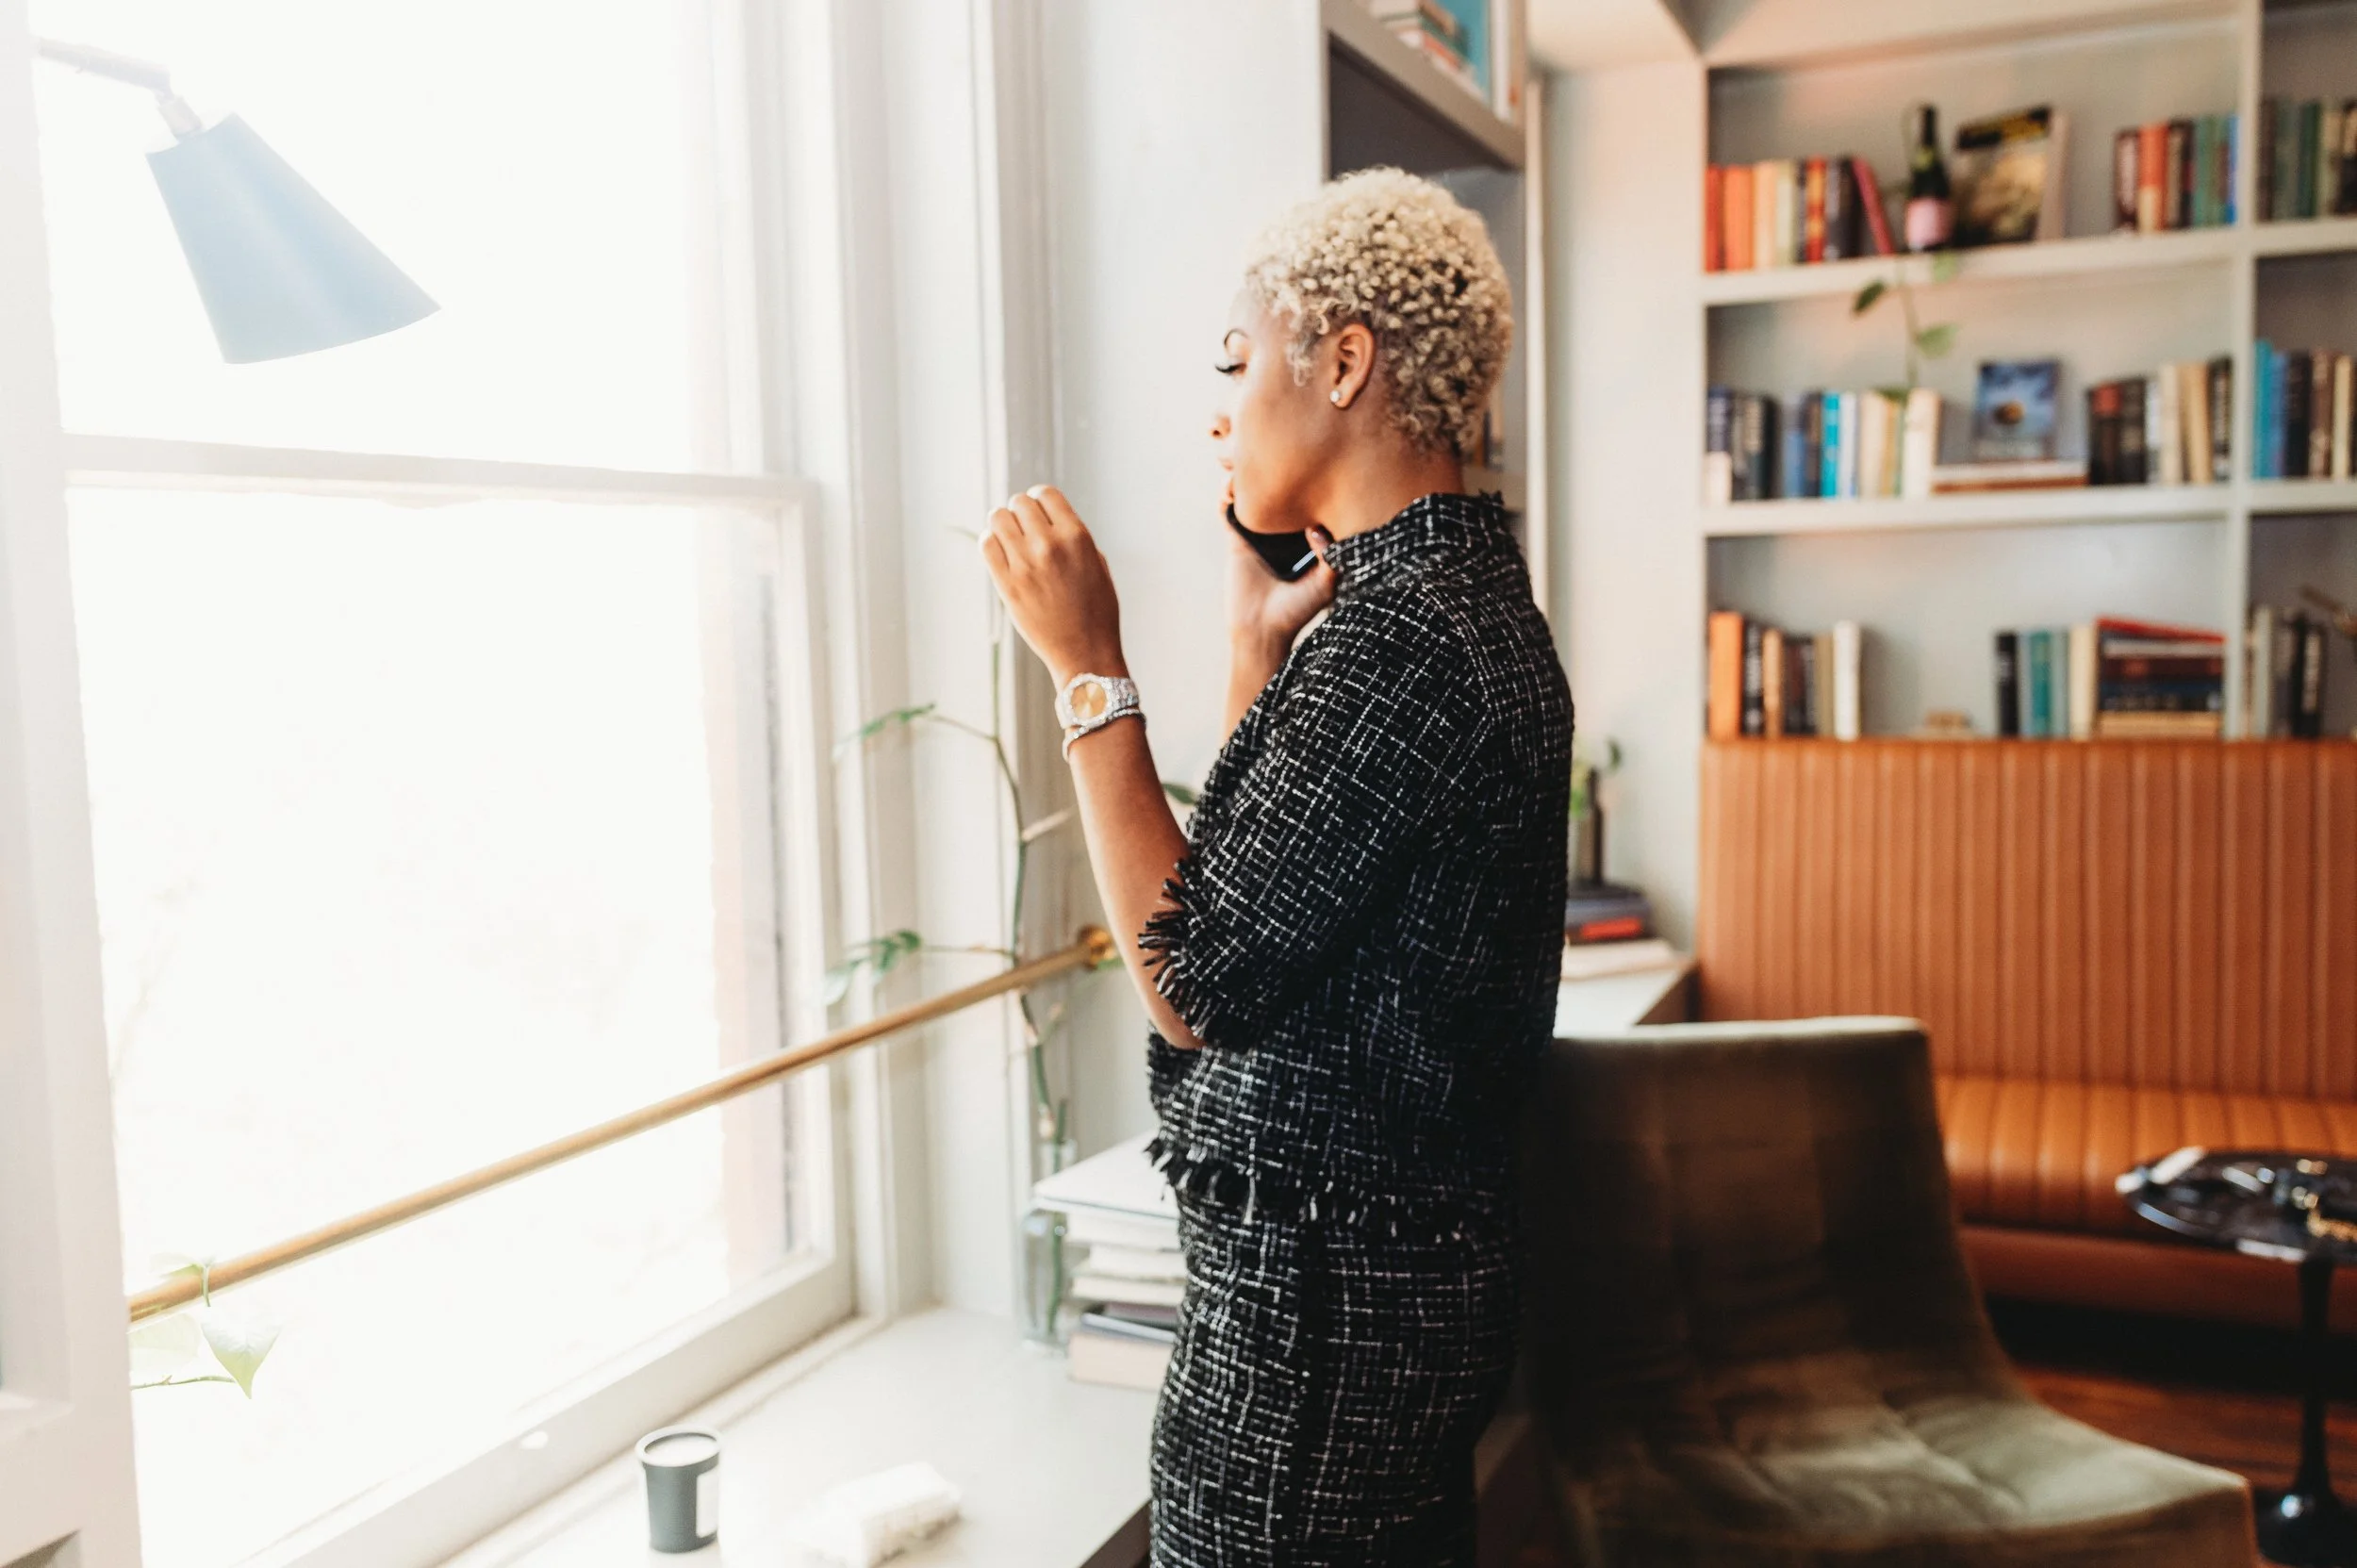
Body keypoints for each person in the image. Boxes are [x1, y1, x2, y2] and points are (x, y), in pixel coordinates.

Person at [980, 167, 1571, 1568]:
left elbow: (1195, 974)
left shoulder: (1404, 640)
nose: (1219, 406)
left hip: (1321, 1331)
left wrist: (1087, 669)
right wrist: (1255, 652)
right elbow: (1269, 898)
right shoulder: (1451, 603)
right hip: (1380, 1309)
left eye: (1240, 363)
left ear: (1344, 360)